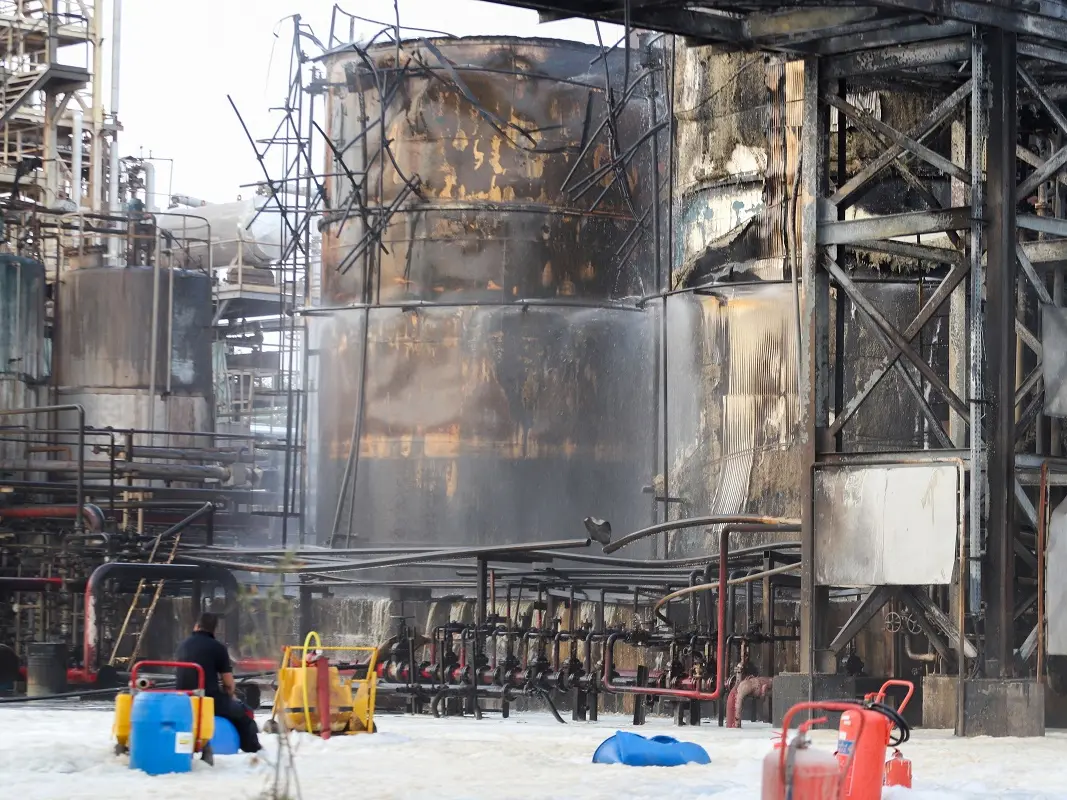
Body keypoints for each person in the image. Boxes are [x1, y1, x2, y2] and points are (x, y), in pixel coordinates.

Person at [175, 612, 261, 753]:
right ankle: (253, 751)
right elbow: (228, 683)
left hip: (182, 699)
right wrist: (231, 696)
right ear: (214, 629)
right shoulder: (218, 648)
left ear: (197, 626)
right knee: (244, 714)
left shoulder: (182, 646)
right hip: (208, 699)